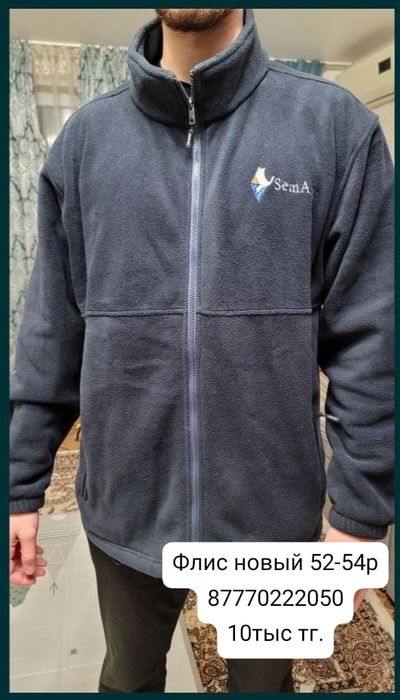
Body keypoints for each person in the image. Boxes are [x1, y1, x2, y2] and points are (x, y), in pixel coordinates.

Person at [9, 8, 394, 693]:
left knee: (264, 687)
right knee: (129, 679)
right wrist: (19, 483)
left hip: (271, 521)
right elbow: (51, 330)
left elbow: (372, 335)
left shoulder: (334, 127)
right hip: (125, 508)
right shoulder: (85, 142)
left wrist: (360, 514)